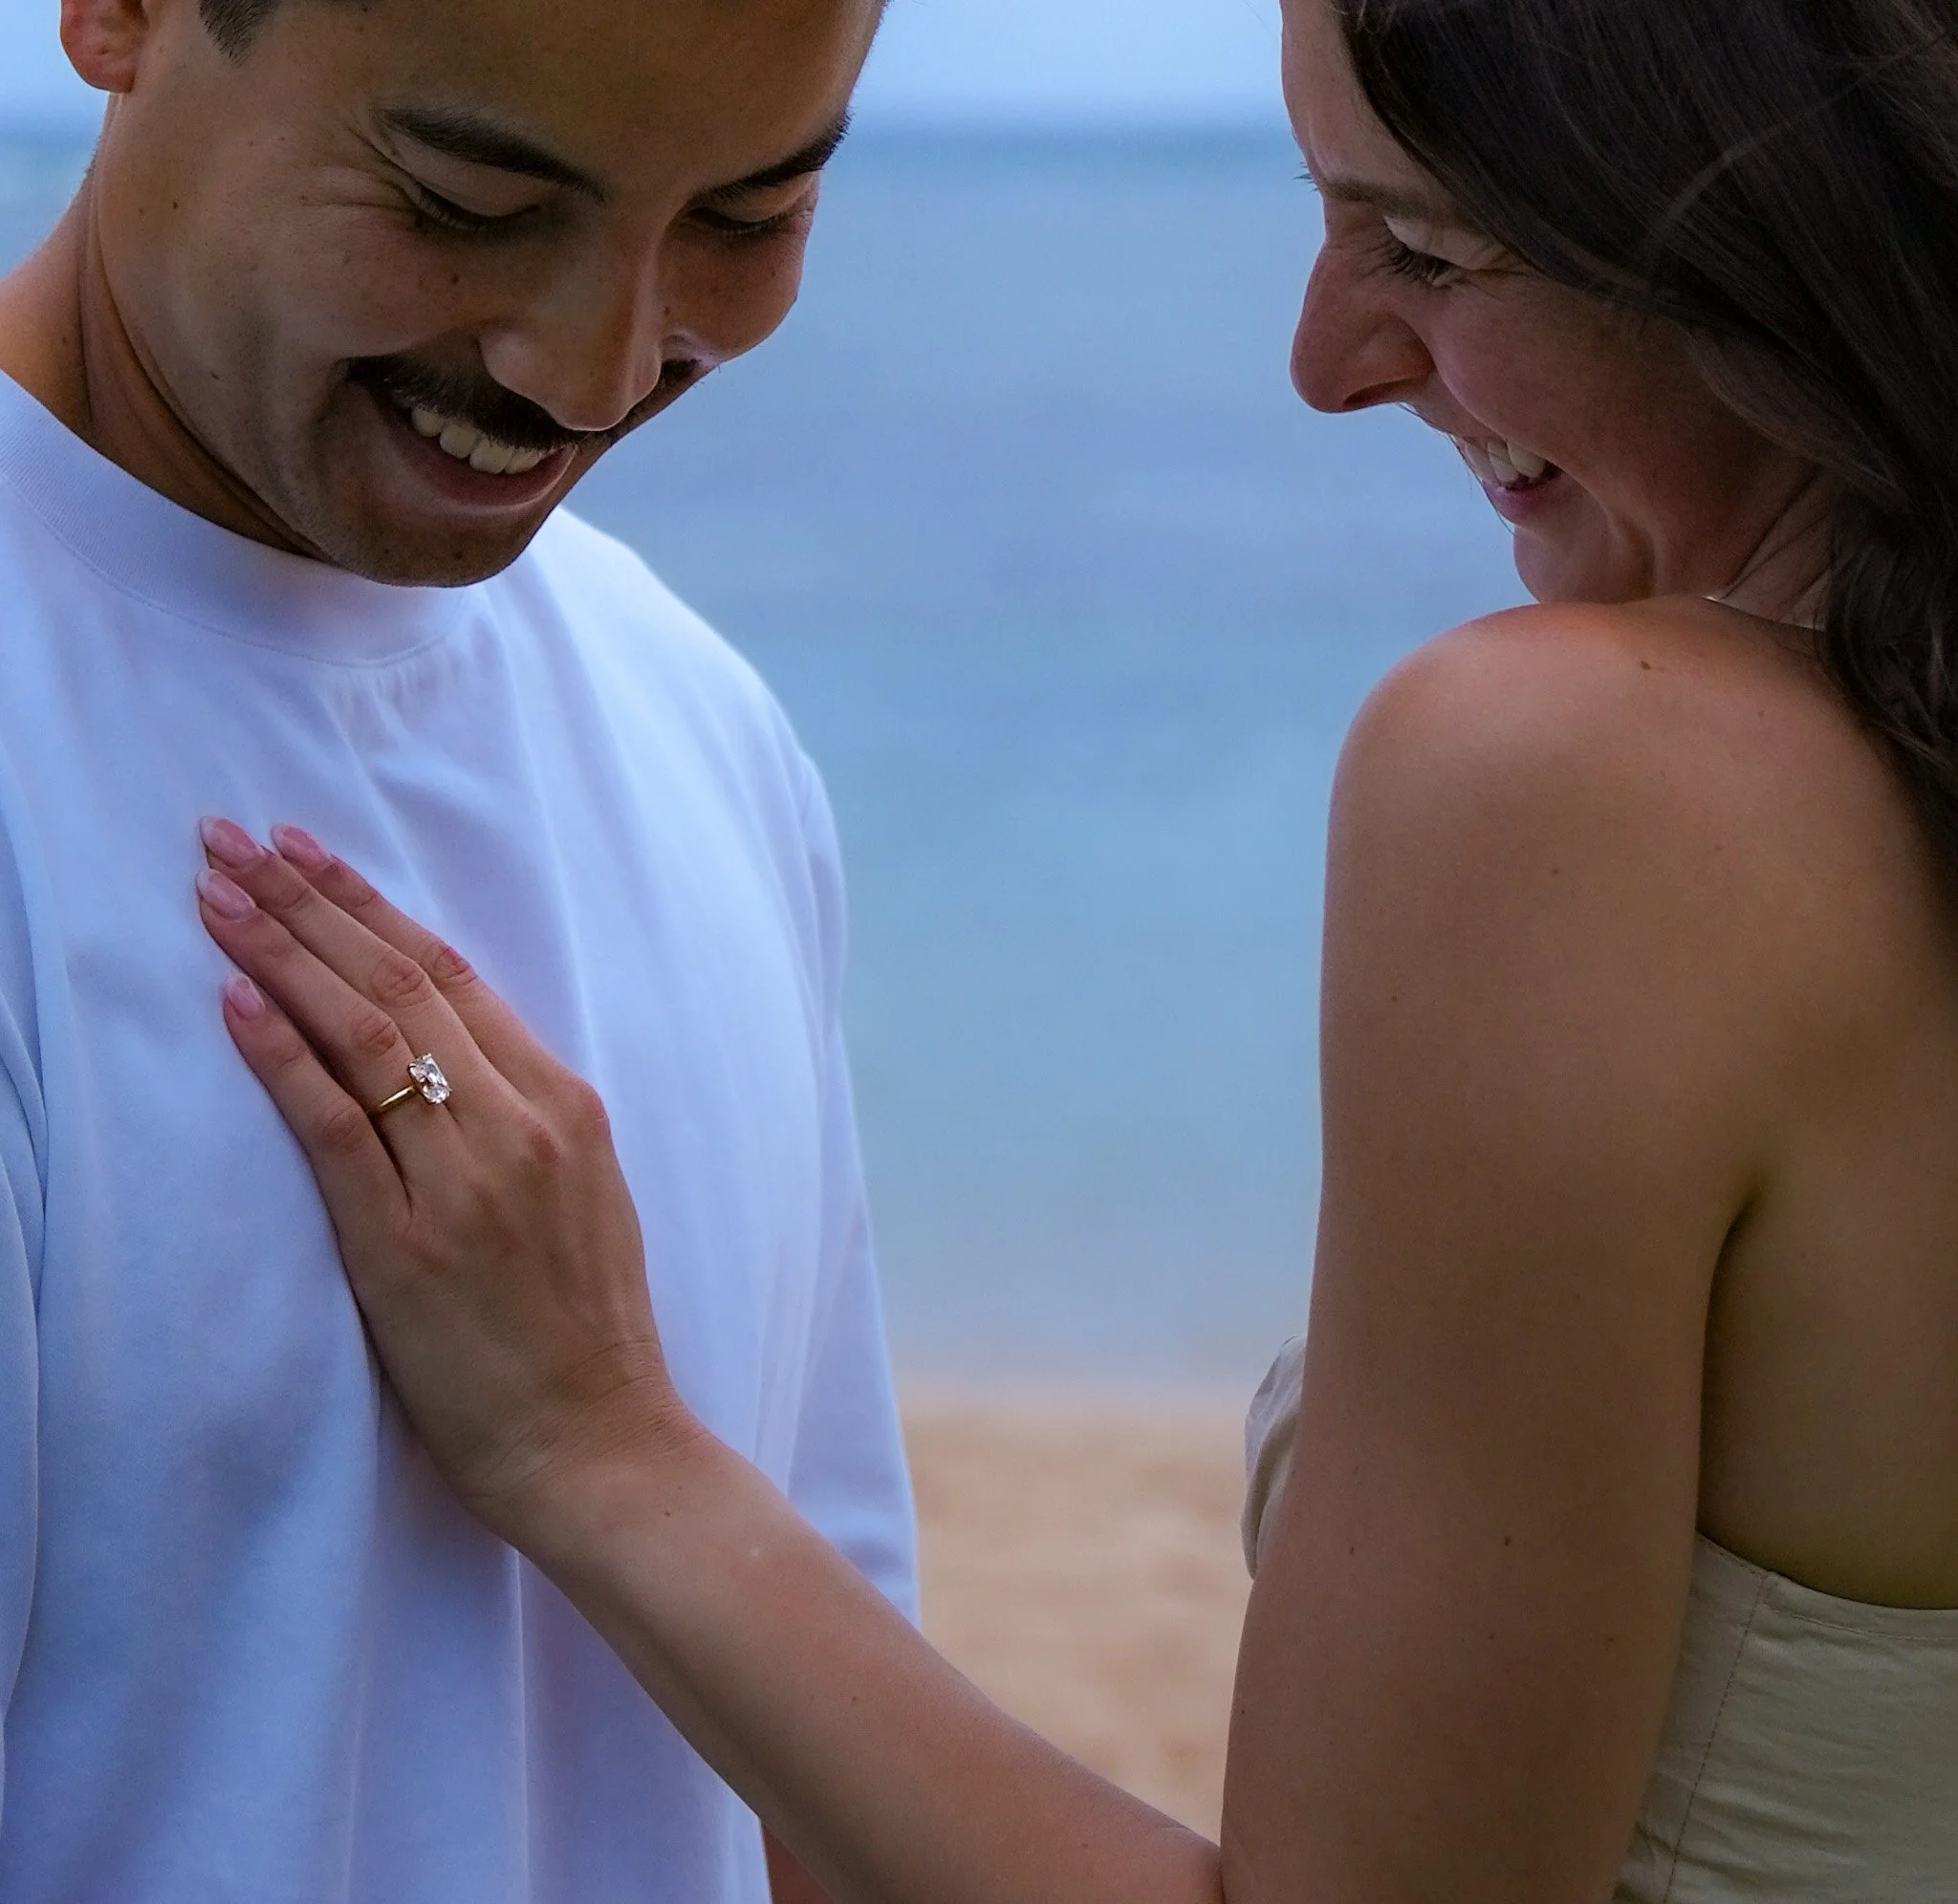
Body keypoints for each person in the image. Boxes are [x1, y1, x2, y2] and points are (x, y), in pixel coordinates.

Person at [194, 0, 1958, 1897]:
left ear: (1777, 226)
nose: (1327, 361)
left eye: (1426, 252)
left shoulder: (1584, 786)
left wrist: (595, 1444)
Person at [0, 0, 912, 1898]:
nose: (590, 363)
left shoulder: (699, 716)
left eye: (750, 221)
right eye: (472, 201)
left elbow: (817, 1786)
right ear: (118, 19)